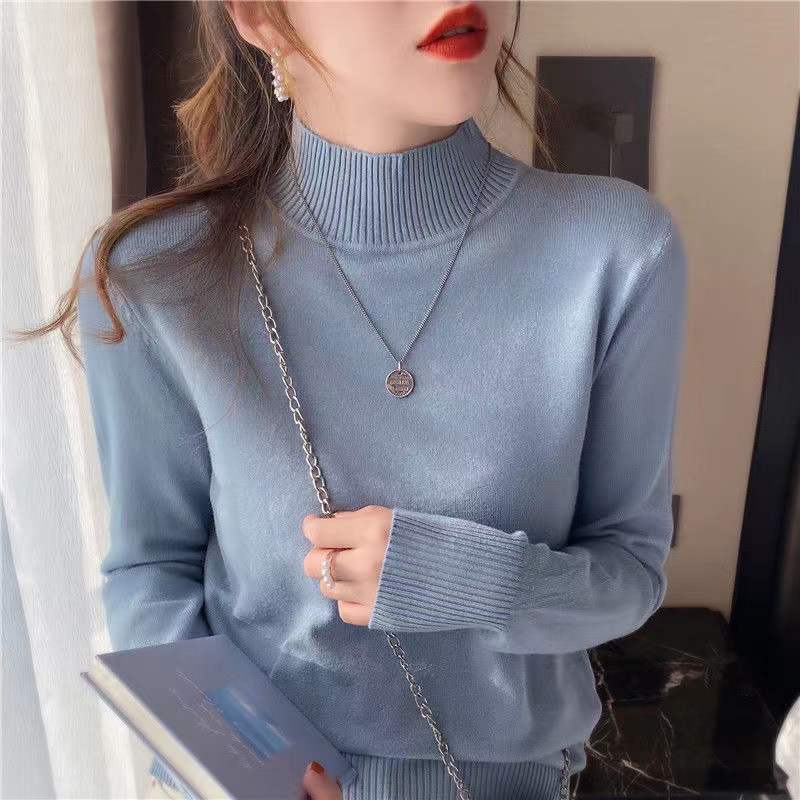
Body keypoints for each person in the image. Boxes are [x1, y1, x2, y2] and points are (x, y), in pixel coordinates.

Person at [17, 1, 687, 798]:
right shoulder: (159, 273)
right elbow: (150, 572)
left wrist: (466, 580)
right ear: (260, 16)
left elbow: (629, 571)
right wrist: (242, 770)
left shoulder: (617, 249)